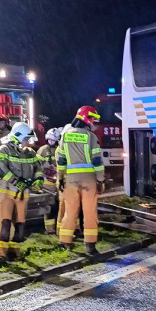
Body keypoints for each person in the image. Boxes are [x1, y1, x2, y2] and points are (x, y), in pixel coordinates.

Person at [57, 105, 104, 256]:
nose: (94, 124)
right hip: (89, 180)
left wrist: (60, 178)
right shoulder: (91, 137)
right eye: (93, 120)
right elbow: (97, 161)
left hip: (70, 180)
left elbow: (61, 160)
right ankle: (90, 246)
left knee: (70, 211)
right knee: (90, 212)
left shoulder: (65, 135)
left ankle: (65, 243)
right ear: (86, 119)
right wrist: (101, 180)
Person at [0, 122, 43, 260]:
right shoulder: (3, 150)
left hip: (22, 194)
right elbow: (0, 169)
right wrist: (16, 181)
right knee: (5, 222)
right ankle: (0, 255)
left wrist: (38, 180)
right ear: (17, 137)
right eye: (26, 139)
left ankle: (15, 252)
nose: (27, 142)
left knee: (20, 224)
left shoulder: (30, 153)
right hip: (5, 192)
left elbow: (38, 168)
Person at [36, 127, 61, 234]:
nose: (52, 142)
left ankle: (58, 229)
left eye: (54, 140)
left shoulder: (59, 149)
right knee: (50, 207)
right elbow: (37, 165)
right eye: (50, 140)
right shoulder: (43, 150)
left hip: (57, 182)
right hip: (47, 183)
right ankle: (50, 230)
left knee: (58, 206)